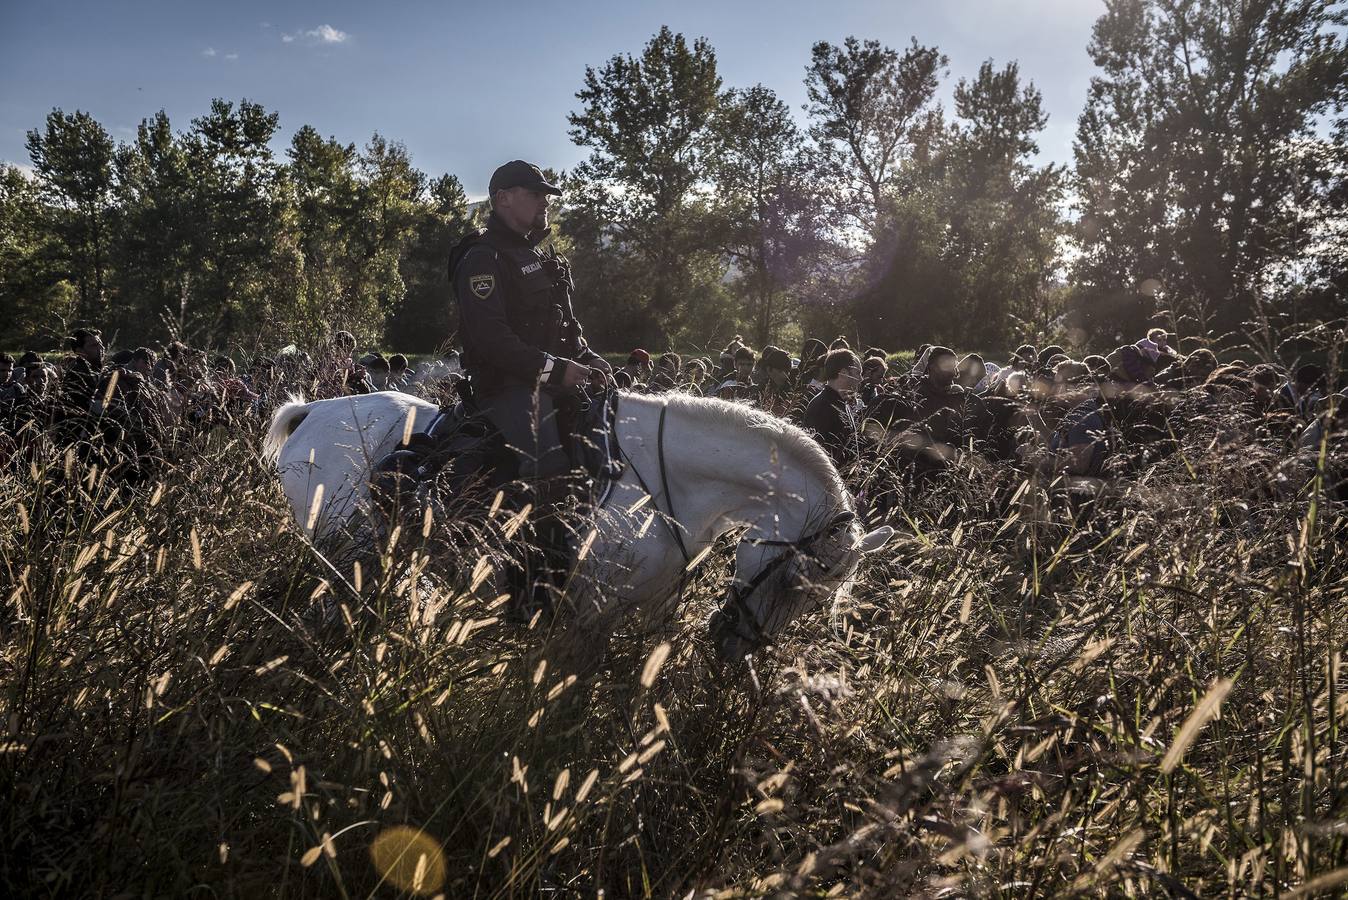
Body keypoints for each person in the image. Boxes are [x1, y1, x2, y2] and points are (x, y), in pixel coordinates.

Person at [448, 159, 609, 485]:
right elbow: (491, 339)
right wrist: (558, 370)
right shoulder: (483, 257)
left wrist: (586, 356)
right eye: (536, 193)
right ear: (503, 198)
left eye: (546, 194)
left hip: (551, 381)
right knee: (550, 468)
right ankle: (525, 535)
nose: (546, 200)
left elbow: (561, 324)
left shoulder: (534, 255)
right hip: (507, 387)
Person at [803, 348, 861, 467]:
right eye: (858, 373)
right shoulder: (822, 407)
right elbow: (819, 457)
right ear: (844, 373)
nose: (861, 379)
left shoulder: (840, 402)